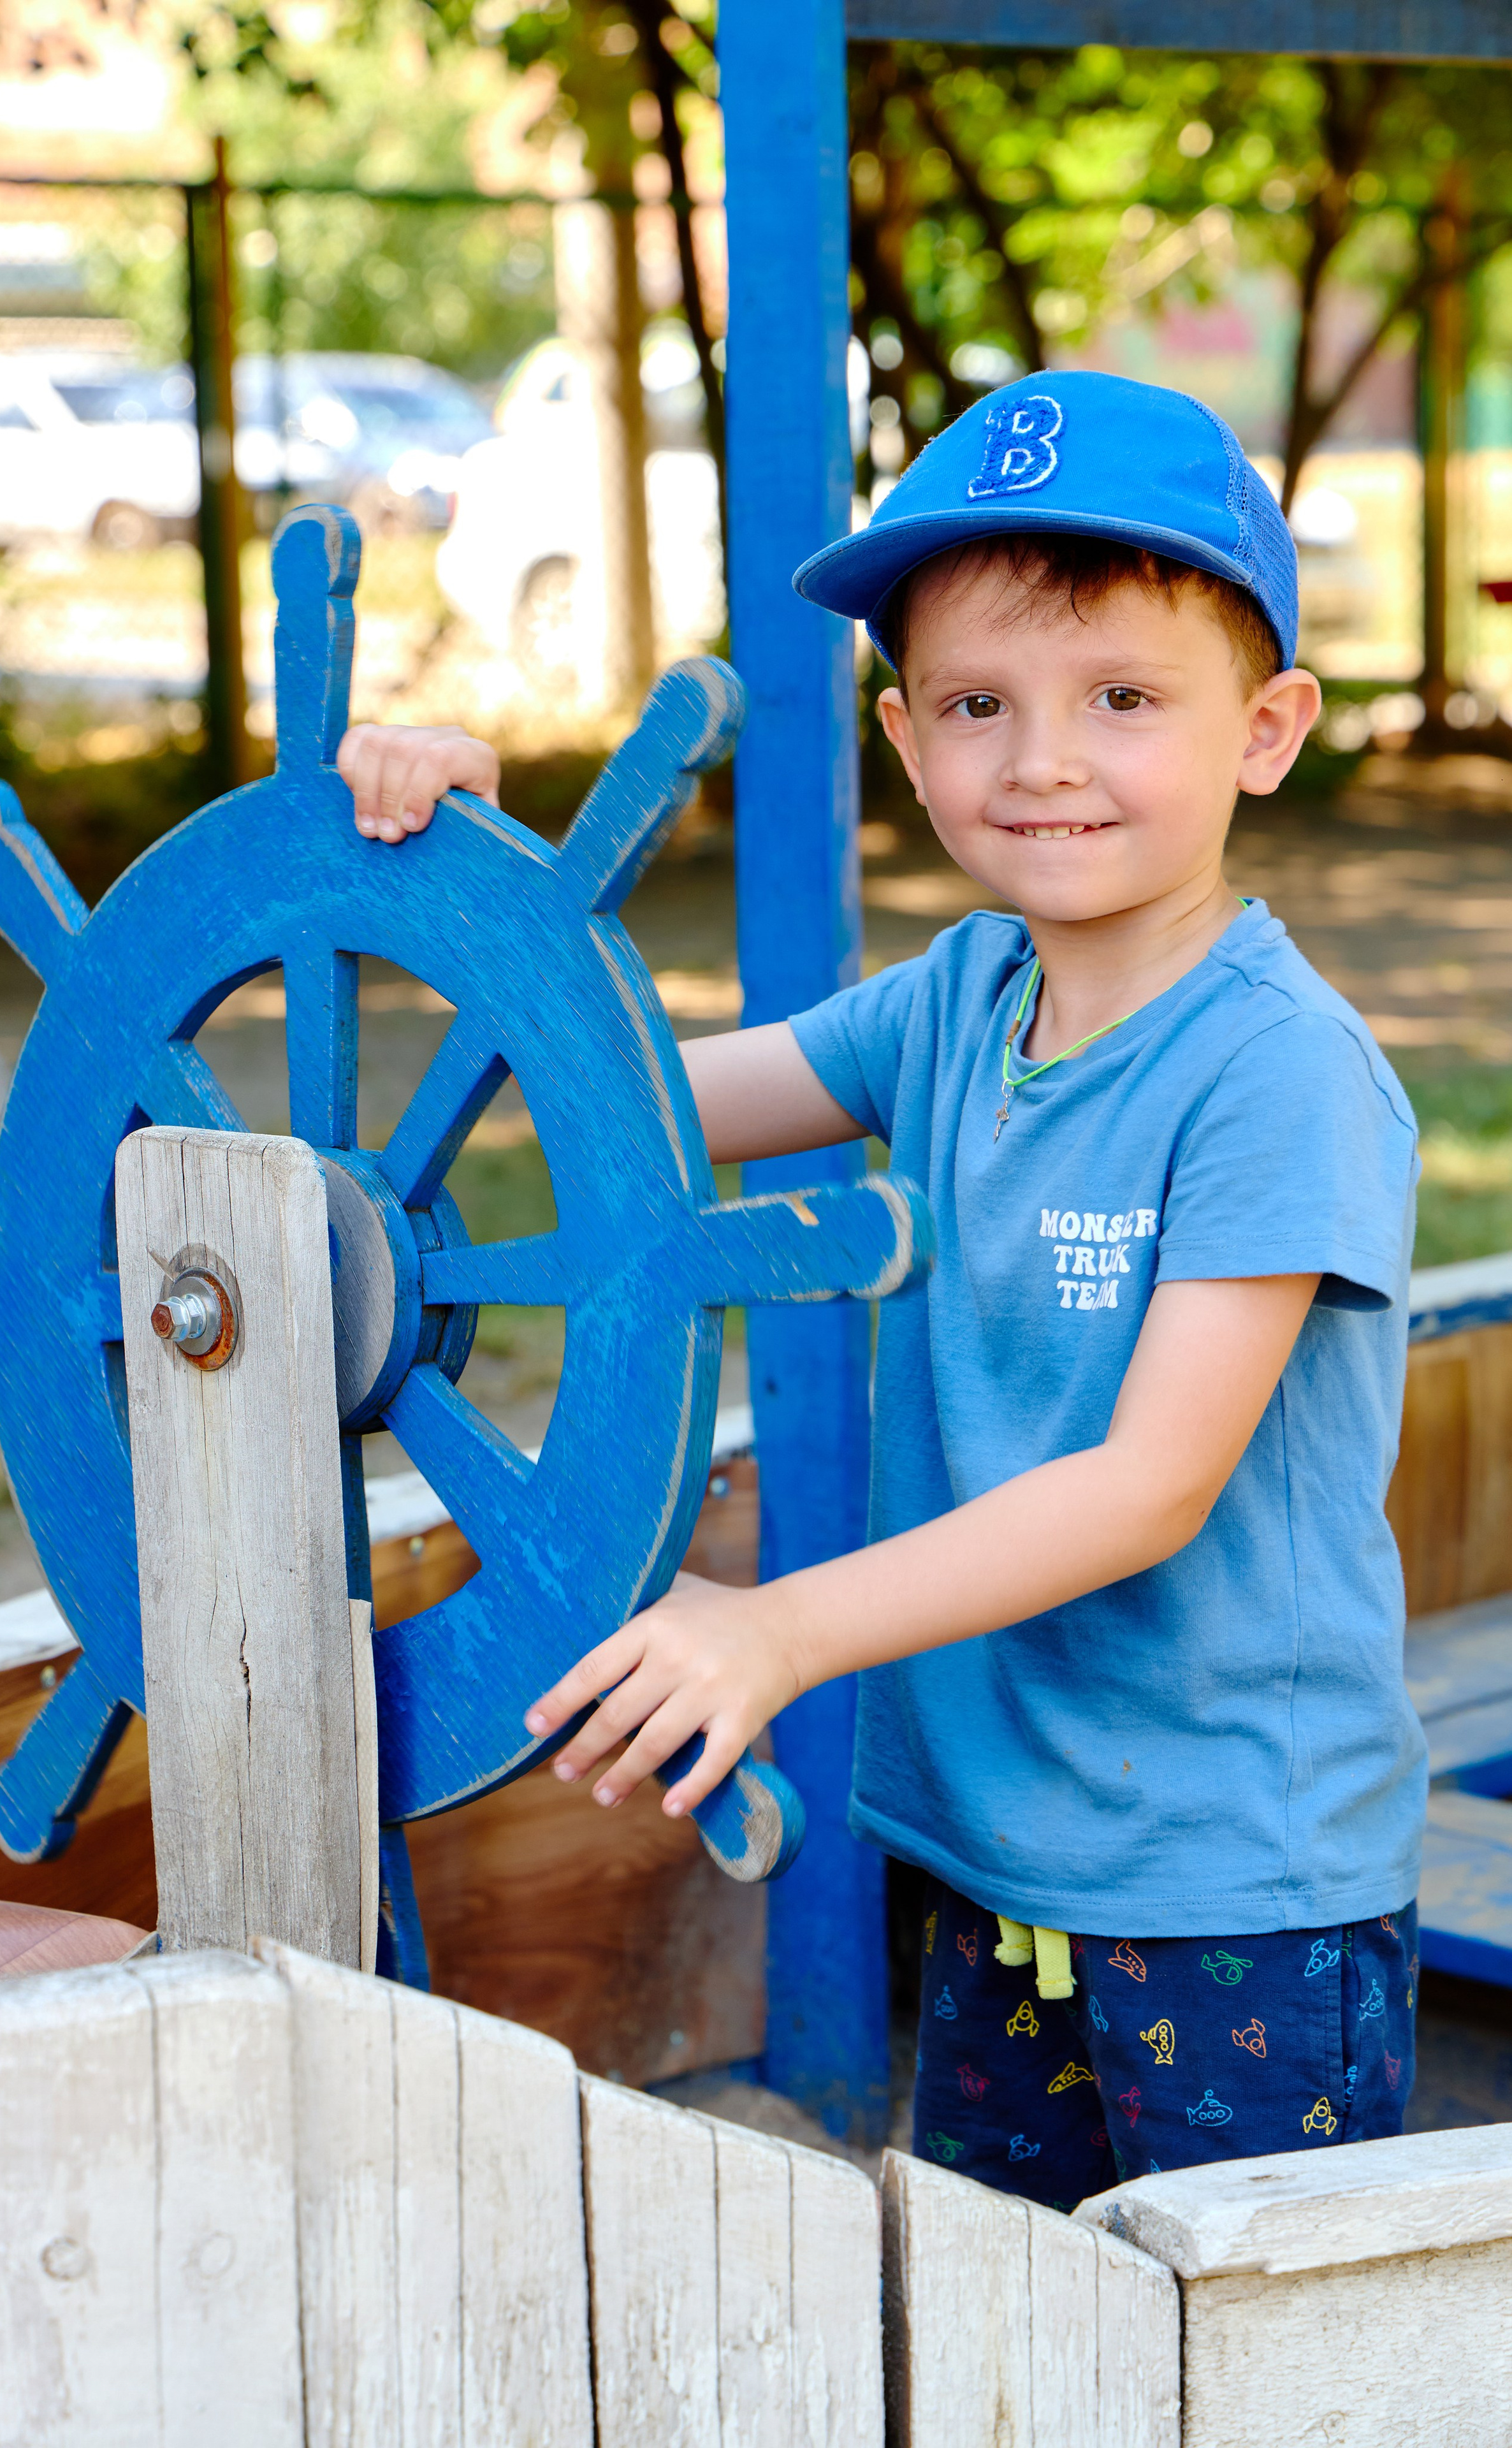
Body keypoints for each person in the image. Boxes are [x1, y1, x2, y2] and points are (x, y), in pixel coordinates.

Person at [336, 370, 1426, 2208]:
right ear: (907, 742)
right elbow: (631, 1110)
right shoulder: (957, 1000)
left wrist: (776, 1630)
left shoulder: (1276, 1077)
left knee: (1257, 2368)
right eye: (981, 706)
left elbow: (1148, 1488)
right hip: (1000, 1861)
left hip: (1242, 1892)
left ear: (1269, 728)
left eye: (1125, 702)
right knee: (1023, 2334)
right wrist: (473, 878)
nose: (1044, 761)